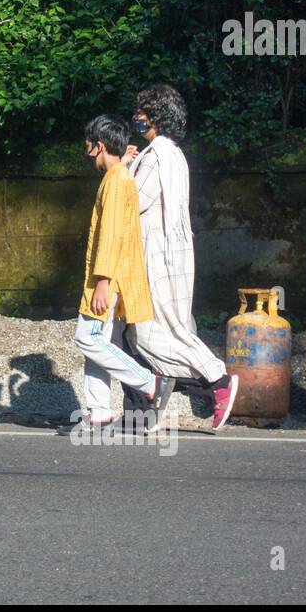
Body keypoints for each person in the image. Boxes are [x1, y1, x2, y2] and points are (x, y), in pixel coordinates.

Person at [121, 84, 239, 430]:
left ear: (156, 117)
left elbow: (132, 201)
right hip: (172, 253)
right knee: (154, 331)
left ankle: (217, 380)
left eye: (142, 112)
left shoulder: (156, 156)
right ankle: (153, 407)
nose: (137, 118)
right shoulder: (173, 154)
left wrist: (123, 167)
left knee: (153, 333)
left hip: (155, 255)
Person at [72, 114, 161, 428]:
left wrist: (103, 282)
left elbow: (111, 234)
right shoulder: (119, 176)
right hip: (111, 275)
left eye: (88, 147)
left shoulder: (116, 180)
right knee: (101, 340)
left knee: (88, 338)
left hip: (108, 277)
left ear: (98, 146)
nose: (87, 154)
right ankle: (97, 410)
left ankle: (150, 383)